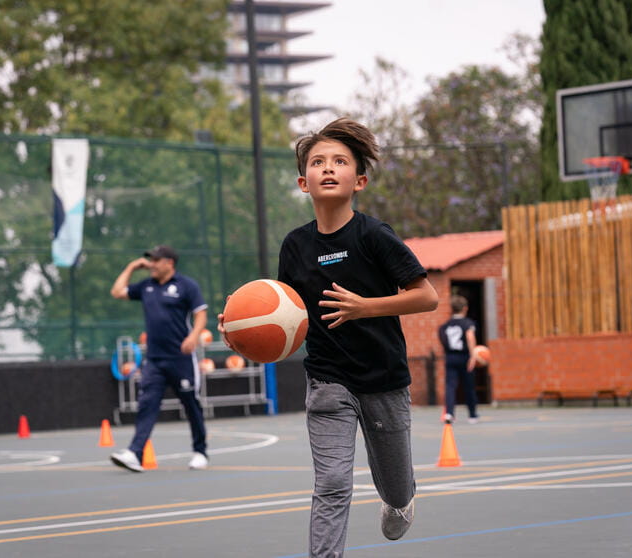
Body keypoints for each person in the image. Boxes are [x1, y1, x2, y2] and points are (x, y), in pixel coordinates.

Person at [221, 118, 438, 556]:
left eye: (340, 161)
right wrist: (242, 330)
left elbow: (427, 297)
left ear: (359, 180)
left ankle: (399, 500)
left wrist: (366, 306)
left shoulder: (374, 236)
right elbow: (285, 313)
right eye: (318, 162)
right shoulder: (295, 246)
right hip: (327, 381)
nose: (328, 168)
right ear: (304, 182)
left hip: (384, 379)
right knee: (333, 482)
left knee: (395, 488)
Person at [109, 245, 209, 472]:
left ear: (169, 263)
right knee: (147, 404)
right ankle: (135, 453)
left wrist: (193, 336)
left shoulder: (186, 286)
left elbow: (200, 314)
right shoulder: (146, 286)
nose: (151, 264)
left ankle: (200, 451)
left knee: (191, 404)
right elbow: (116, 292)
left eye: (156, 260)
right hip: (154, 360)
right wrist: (132, 267)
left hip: (181, 358)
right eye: (150, 260)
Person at [438, 294, 480, 424]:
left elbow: (443, 340)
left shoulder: (444, 326)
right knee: (469, 386)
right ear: (465, 308)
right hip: (464, 356)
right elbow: (470, 337)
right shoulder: (467, 323)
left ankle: (449, 413)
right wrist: (473, 355)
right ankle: (472, 415)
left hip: (450, 356)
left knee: (450, 386)